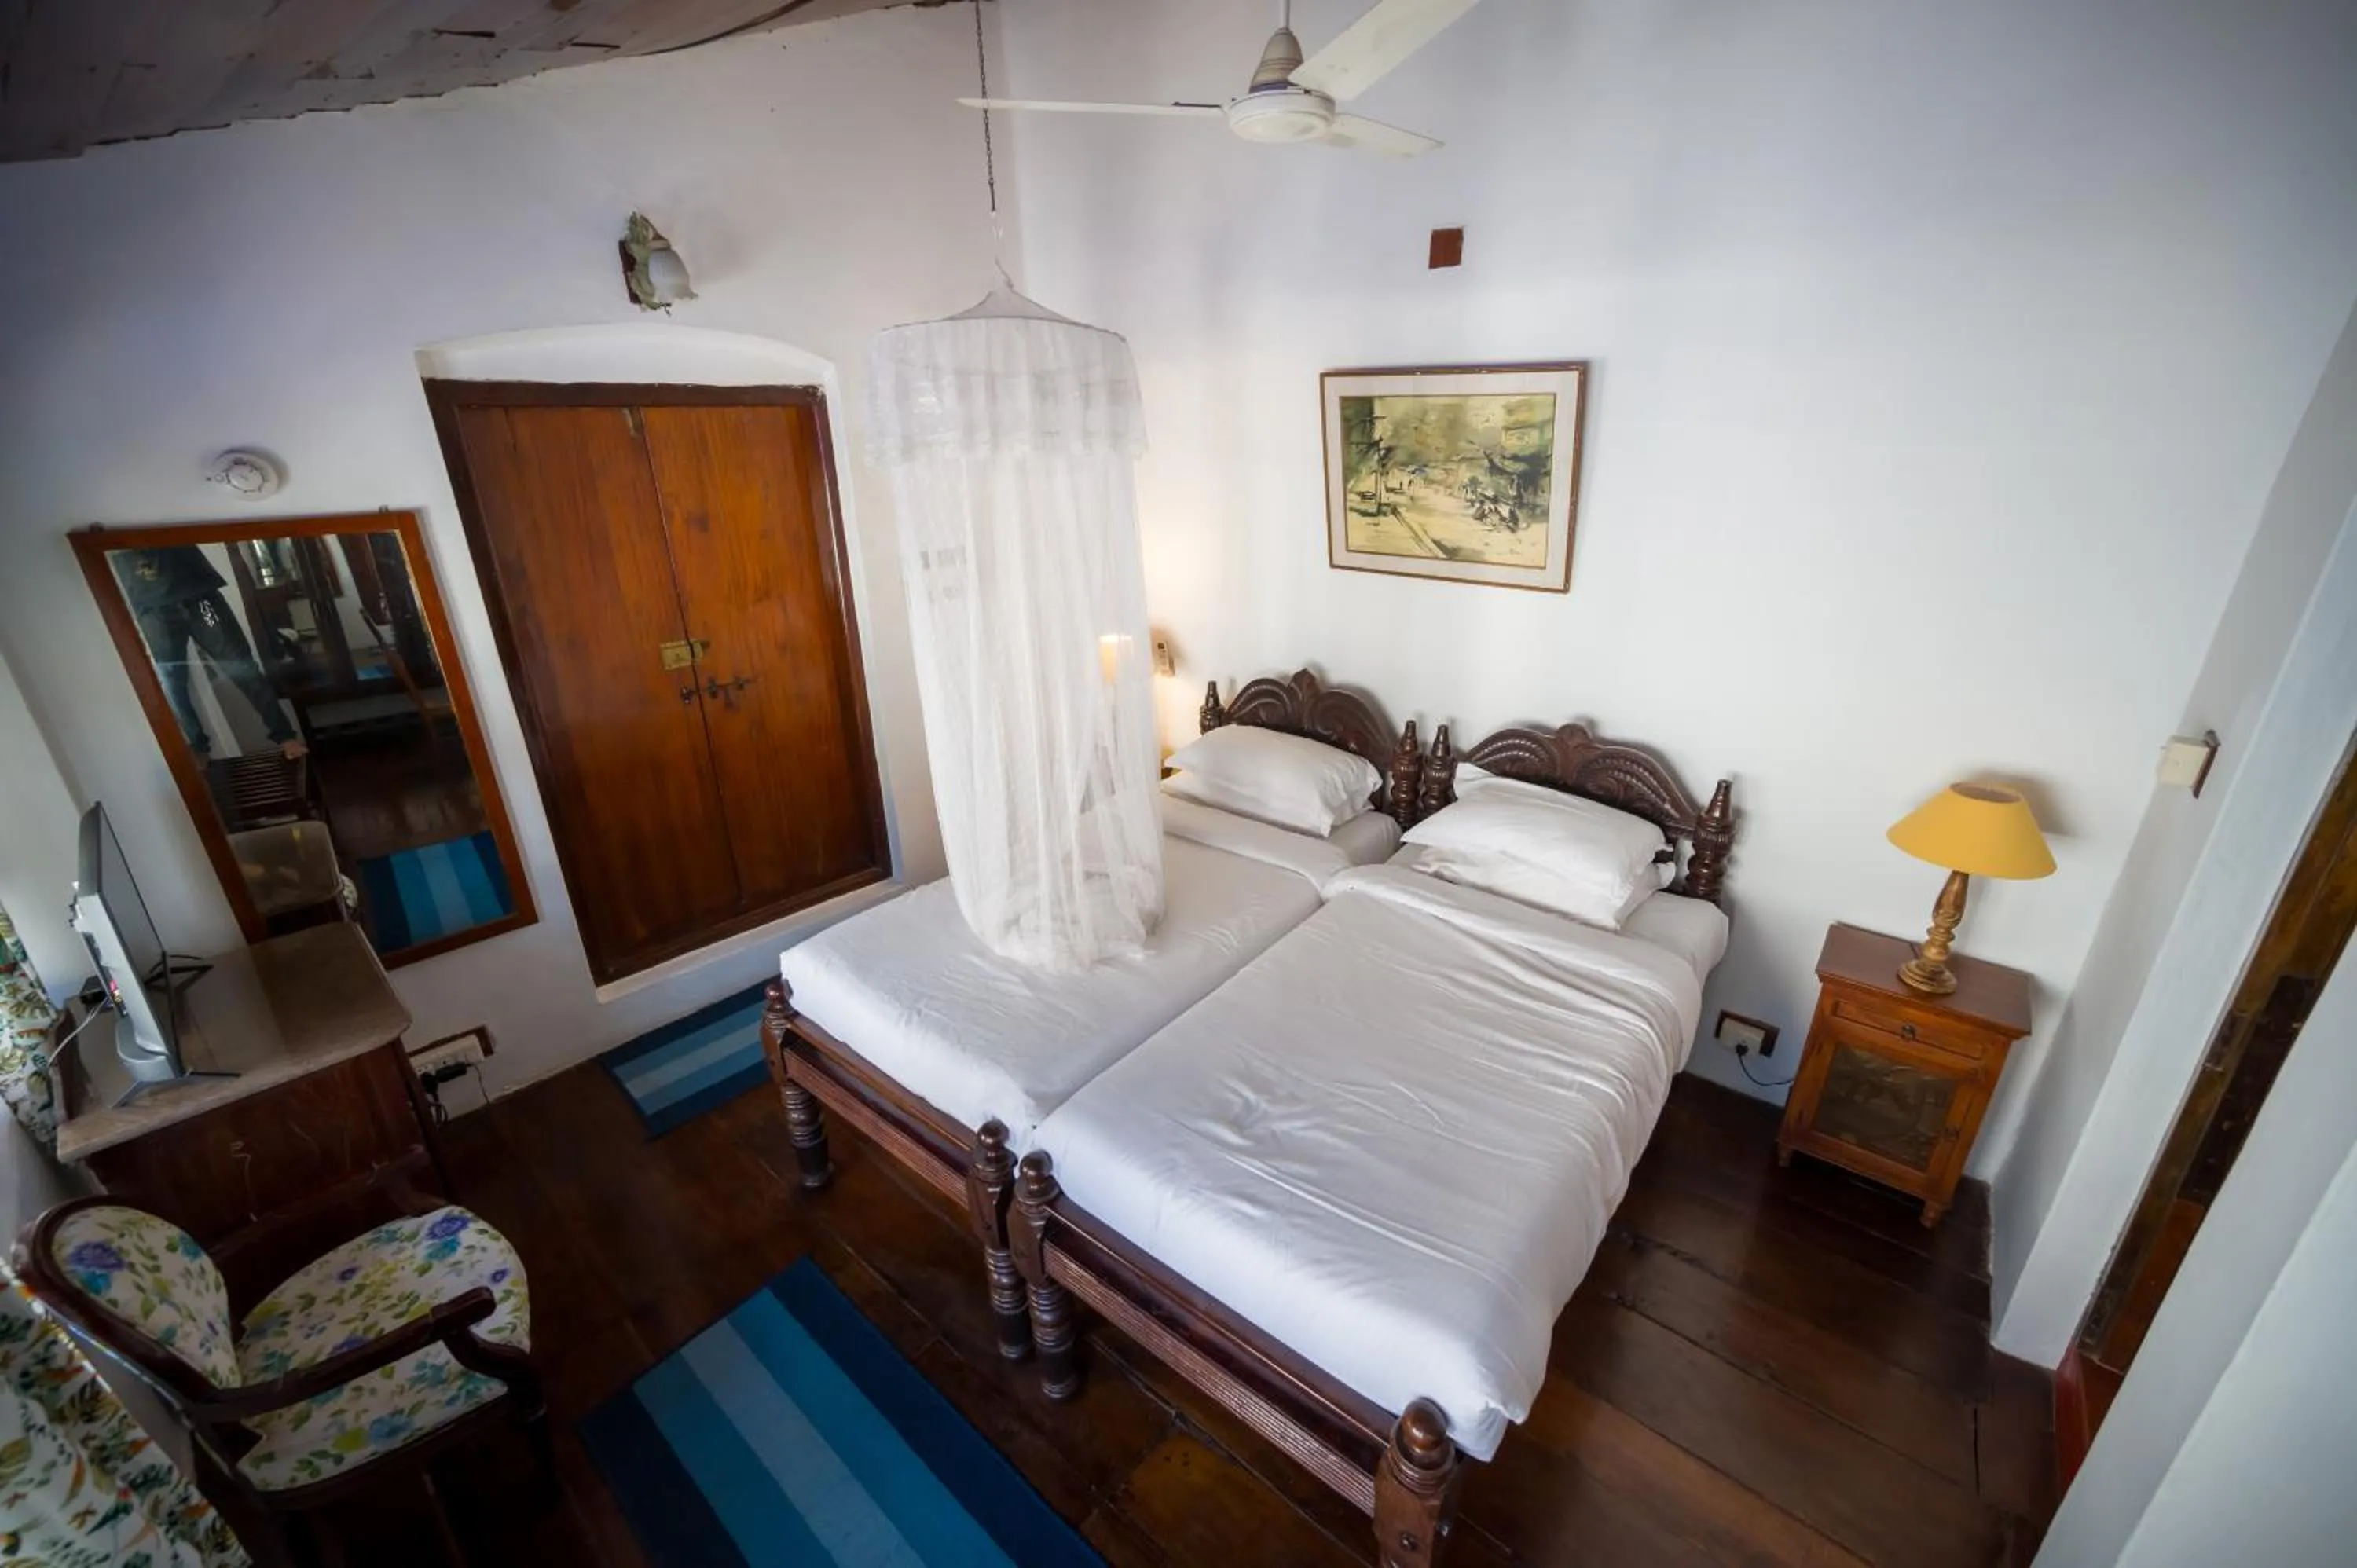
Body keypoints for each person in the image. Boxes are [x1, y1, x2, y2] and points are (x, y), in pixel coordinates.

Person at [112, 546, 300, 757]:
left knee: (242, 667)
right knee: (171, 681)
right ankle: (198, 747)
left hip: (202, 601)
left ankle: (286, 737)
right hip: (155, 610)